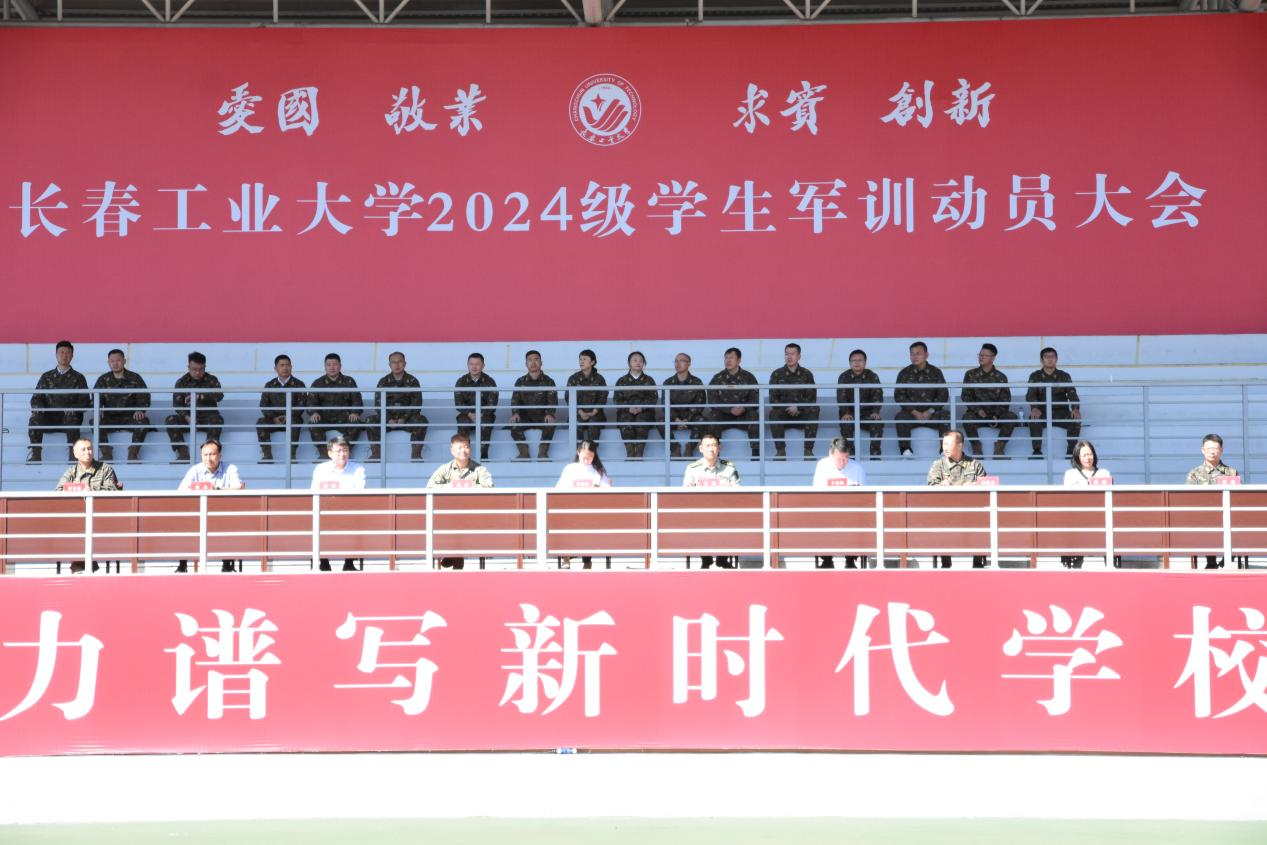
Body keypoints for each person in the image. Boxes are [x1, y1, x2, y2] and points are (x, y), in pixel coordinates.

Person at [427, 432, 495, 570]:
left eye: (466, 447)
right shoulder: (445, 469)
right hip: (449, 516)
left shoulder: (479, 469)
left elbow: (490, 487)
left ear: (470, 449)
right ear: (452, 450)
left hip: (473, 516)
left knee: (462, 523)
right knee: (449, 521)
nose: (463, 450)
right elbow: (430, 487)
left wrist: (469, 485)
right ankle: (456, 556)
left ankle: (455, 555)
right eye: (459, 447)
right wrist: (451, 486)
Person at [176, 439, 245, 574]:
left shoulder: (230, 468)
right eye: (205, 455)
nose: (208, 458)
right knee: (183, 524)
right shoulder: (195, 470)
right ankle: (182, 565)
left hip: (223, 514)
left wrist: (216, 489)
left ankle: (227, 565)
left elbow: (238, 487)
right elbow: (181, 490)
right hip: (196, 513)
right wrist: (200, 488)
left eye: (212, 454)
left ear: (220, 455)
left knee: (229, 524)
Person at [55, 438, 122, 573]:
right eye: (83, 449)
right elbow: (58, 492)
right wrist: (77, 489)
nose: (87, 452)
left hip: (102, 518)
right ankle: (82, 566)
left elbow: (112, 492)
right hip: (76, 520)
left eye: (90, 449)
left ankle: (83, 567)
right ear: (75, 453)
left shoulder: (105, 469)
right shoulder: (71, 472)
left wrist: (91, 491)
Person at [926, 431, 988, 569]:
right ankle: (945, 563)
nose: (945, 448)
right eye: (943, 444)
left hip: (971, 513)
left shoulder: (974, 464)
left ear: (960, 445)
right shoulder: (938, 465)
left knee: (981, 521)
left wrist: (975, 485)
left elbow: (987, 485)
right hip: (946, 513)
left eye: (949, 444)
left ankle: (978, 563)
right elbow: (931, 487)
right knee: (942, 523)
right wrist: (940, 486)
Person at [683, 432, 741, 569]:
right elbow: (686, 494)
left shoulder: (729, 468)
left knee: (732, 520)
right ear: (701, 448)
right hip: (700, 513)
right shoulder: (692, 469)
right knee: (697, 521)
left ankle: (722, 558)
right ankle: (706, 559)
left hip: (725, 512)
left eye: (714, 445)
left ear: (719, 448)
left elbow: (738, 492)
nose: (711, 449)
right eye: (707, 445)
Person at [27, 340, 90, 463]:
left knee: (72, 418)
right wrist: (39, 406)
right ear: (56, 355)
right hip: (49, 417)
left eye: (68, 353)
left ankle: (73, 456)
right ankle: (36, 454)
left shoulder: (78, 377)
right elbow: (36, 397)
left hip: (69, 418)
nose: (64, 355)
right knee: (35, 418)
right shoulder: (46, 376)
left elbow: (85, 400)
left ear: (72, 356)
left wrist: (74, 408)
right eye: (61, 352)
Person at [310, 435, 367, 572]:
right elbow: (314, 491)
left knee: (357, 520)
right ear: (330, 453)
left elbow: (360, 491)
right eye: (339, 451)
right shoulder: (320, 469)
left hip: (349, 510)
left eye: (345, 450)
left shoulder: (358, 469)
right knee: (315, 520)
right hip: (325, 510)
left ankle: (349, 562)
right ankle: (323, 562)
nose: (342, 454)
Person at [1185, 433, 1241, 570]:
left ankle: (1227, 559)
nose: (1212, 452)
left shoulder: (1231, 472)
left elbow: (1239, 497)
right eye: (1209, 448)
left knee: (1239, 522)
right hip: (1203, 516)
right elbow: (1188, 498)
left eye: (1215, 448)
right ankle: (1211, 562)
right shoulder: (1195, 473)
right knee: (1205, 523)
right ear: (1202, 450)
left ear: (1221, 450)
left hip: (1228, 515)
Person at [812, 437, 867, 569]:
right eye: (839, 459)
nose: (842, 462)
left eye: (846, 458)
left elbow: (866, 496)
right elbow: (815, 493)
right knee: (820, 521)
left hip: (852, 514)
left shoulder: (857, 468)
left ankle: (850, 560)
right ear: (830, 454)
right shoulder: (822, 465)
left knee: (858, 522)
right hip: (827, 512)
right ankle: (826, 559)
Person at [555, 440, 611, 569]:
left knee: (589, 525)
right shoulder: (570, 469)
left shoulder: (598, 471)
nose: (587, 459)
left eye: (590, 457)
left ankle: (587, 560)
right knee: (565, 525)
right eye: (584, 456)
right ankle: (566, 557)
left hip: (591, 512)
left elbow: (607, 489)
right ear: (578, 453)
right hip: (570, 510)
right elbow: (559, 488)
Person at [365, 351, 429, 462]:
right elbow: (378, 404)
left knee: (422, 420)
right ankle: (376, 454)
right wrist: (389, 419)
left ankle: (416, 454)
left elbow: (416, 403)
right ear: (389, 365)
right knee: (370, 420)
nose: (397, 365)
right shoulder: (383, 381)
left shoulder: (412, 381)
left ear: (405, 363)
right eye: (393, 362)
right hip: (388, 421)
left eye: (399, 361)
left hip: (407, 419)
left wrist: (404, 418)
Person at [93, 348, 152, 464]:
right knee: (93, 422)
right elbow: (95, 399)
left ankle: (133, 453)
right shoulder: (103, 379)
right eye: (112, 361)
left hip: (130, 417)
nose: (115, 364)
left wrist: (140, 410)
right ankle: (106, 452)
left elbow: (144, 397)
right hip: (110, 418)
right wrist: (98, 410)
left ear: (124, 361)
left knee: (144, 421)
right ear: (108, 362)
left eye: (118, 360)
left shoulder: (135, 378)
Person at [164, 351, 224, 464]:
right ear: (188, 367)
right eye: (194, 369)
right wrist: (187, 417)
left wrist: (201, 396)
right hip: (188, 418)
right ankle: (182, 453)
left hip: (208, 418)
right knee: (170, 420)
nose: (197, 372)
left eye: (201, 369)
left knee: (218, 419)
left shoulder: (211, 380)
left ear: (205, 367)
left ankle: (210, 454)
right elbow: (177, 404)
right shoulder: (182, 382)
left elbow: (219, 396)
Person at [1061, 440, 1112, 570]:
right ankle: (1075, 564)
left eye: (1090, 454)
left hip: (1100, 518)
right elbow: (1067, 499)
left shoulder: (1104, 473)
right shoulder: (1070, 474)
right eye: (1084, 455)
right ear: (1077, 456)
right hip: (1077, 519)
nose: (1088, 458)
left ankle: (1110, 563)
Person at [961, 343, 1017, 459]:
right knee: (967, 418)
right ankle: (976, 448)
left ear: (993, 358)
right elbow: (966, 396)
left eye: (985, 355)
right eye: (980, 355)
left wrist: (996, 415)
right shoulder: (970, 374)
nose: (981, 357)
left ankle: (999, 449)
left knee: (1011, 416)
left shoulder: (1001, 377)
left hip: (996, 416)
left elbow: (1005, 399)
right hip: (977, 414)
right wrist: (978, 410)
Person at [894, 341, 949, 457]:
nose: (915, 356)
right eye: (912, 354)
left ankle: (945, 449)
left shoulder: (936, 372)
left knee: (946, 415)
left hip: (932, 414)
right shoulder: (904, 373)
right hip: (912, 414)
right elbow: (899, 395)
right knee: (900, 417)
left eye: (918, 353)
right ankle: (905, 449)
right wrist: (915, 412)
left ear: (926, 355)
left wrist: (930, 411)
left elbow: (943, 394)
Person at [1026, 347, 1081, 459]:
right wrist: (1034, 408)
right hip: (1042, 412)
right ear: (1041, 360)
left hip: (1061, 412)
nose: (1050, 359)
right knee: (1033, 418)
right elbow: (1031, 394)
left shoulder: (1064, 376)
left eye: (1052, 357)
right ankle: (1037, 451)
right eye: (1047, 357)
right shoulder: (1035, 376)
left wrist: (1075, 408)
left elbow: (1072, 394)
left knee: (1075, 418)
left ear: (1056, 359)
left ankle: (1071, 451)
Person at [768, 342, 819, 460]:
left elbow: (811, 397)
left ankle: (808, 451)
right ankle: (780, 451)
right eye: (787, 354)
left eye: (792, 354)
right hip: (784, 413)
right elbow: (773, 399)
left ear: (799, 356)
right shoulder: (777, 374)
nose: (789, 357)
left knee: (814, 410)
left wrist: (798, 407)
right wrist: (788, 408)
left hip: (802, 413)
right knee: (773, 413)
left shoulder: (807, 374)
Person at [308, 353, 364, 459]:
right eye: (329, 365)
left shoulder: (349, 381)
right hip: (324, 418)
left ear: (340, 366)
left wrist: (355, 412)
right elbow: (311, 401)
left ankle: (345, 451)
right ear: (325, 367)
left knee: (356, 423)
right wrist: (313, 412)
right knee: (313, 422)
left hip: (344, 418)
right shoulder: (318, 383)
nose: (332, 367)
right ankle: (323, 453)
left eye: (335, 364)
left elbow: (357, 400)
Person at [707, 347, 760, 459]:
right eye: (726, 358)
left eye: (731, 358)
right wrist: (729, 409)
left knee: (754, 415)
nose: (728, 361)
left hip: (743, 416)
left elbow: (755, 399)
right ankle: (714, 455)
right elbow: (712, 399)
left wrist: (744, 407)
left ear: (739, 360)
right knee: (713, 415)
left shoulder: (749, 377)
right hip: (724, 416)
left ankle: (756, 454)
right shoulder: (718, 378)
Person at [256, 353, 307, 464]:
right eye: (282, 365)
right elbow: (263, 404)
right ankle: (267, 455)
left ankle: (292, 455)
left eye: (287, 365)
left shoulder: (299, 384)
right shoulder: (270, 385)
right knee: (261, 422)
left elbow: (302, 405)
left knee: (295, 421)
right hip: (274, 420)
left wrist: (286, 416)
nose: (285, 368)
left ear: (291, 367)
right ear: (276, 368)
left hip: (292, 418)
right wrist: (274, 418)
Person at [509, 350, 559, 461]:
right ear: (526, 364)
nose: (533, 363)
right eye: (530, 360)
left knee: (551, 422)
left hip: (542, 417)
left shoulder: (549, 381)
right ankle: (524, 453)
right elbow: (515, 400)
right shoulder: (520, 381)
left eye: (536, 359)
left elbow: (552, 400)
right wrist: (515, 413)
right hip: (525, 417)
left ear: (541, 363)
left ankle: (543, 453)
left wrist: (550, 414)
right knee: (513, 423)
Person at [836, 348, 884, 459]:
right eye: (854, 360)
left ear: (865, 362)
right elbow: (841, 396)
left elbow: (877, 394)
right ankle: (850, 457)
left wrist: (875, 411)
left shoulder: (872, 376)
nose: (857, 363)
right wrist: (845, 412)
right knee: (846, 423)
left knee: (877, 423)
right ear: (850, 363)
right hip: (850, 413)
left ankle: (875, 456)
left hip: (867, 413)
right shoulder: (844, 376)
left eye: (860, 360)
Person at [614, 351, 659, 459]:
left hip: (644, 412)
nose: (638, 363)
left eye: (641, 361)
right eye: (635, 360)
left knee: (641, 422)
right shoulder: (622, 381)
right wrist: (628, 408)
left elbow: (653, 398)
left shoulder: (649, 380)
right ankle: (630, 453)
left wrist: (641, 408)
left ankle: (639, 454)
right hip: (626, 412)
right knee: (626, 421)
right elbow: (617, 399)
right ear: (629, 363)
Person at [454, 352, 498, 461]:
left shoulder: (490, 381)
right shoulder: (461, 381)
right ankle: (463, 456)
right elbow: (458, 403)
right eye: (471, 364)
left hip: (484, 414)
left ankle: (483, 456)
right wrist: (469, 414)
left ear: (483, 366)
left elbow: (492, 404)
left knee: (486, 423)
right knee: (463, 423)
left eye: (477, 364)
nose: (474, 367)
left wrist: (480, 414)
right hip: (466, 415)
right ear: (468, 365)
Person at [663, 352, 706, 459]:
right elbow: (665, 404)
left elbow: (699, 403)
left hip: (690, 418)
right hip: (674, 419)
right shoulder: (668, 382)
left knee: (701, 420)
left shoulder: (696, 382)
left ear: (689, 364)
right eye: (676, 361)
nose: (678, 364)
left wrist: (687, 420)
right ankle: (674, 447)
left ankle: (690, 447)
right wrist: (676, 419)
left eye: (682, 361)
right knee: (660, 421)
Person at [566, 349, 609, 451]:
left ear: (592, 362)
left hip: (596, 414)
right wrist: (580, 411)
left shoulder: (599, 379)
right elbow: (568, 397)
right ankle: (579, 453)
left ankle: (591, 454)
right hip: (578, 413)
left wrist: (593, 412)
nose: (581, 362)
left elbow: (603, 396)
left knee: (594, 425)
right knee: (575, 425)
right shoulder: (573, 378)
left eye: (585, 359)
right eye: (580, 359)